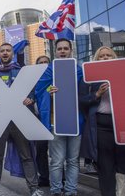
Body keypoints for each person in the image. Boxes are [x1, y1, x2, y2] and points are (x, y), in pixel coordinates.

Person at [79, 46, 125, 196]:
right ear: (96, 59)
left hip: (123, 124)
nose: (105, 57)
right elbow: (81, 101)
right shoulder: (88, 77)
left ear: (114, 58)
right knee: (106, 168)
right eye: (101, 56)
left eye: (109, 55)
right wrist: (97, 94)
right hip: (101, 126)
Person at [0, 43, 43, 196]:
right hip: (0, 121)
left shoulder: (21, 71)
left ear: (12, 53)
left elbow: (33, 92)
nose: (5, 53)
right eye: (2, 51)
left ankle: (34, 189)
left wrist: (30, 98)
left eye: (8, 50)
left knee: (26, 156)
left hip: (18, 120)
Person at [35, 38, 84, 196]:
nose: (63, 51)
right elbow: (39, 92)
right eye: (60, 49)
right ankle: (56, 191)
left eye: (66, 48)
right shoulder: (48, 71)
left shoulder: (79, 71)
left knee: (73, 160)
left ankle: (71, 191)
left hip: (75, 122)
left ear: (71, 51)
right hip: (55, 123)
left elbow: (85, 95)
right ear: (55, 52)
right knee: (57, 161)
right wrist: (49, 92)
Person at [33, 55, 51, 187]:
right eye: (41, 63)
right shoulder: (32, 81)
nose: (44, 64)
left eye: (46, 62)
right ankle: (44, 177)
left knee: (57, 153)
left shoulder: (54, 79)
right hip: (38, 121)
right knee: (41, 151)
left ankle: (59, 177)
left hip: (54, 120)